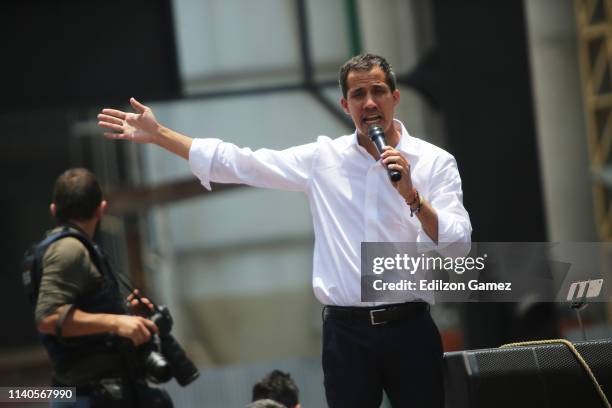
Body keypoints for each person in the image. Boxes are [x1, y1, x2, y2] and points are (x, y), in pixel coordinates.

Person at [97, 53, 472, 407]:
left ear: (395, 97)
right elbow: (241, 163)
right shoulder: (323, 159)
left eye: (377, 91)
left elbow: (457, 245)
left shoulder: (434, 162)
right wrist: (159, 132)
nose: (369, 102)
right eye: (358, 94)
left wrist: (413, 197)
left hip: (409, 326)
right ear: (345, 106)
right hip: (347, 333)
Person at [32, 168, 172, 407]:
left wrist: (128, 316)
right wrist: (118, 323)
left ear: (54, 210)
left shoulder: (84, 249)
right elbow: (48, 317)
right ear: (101, 209)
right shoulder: (69, 249)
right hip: (86, 395)